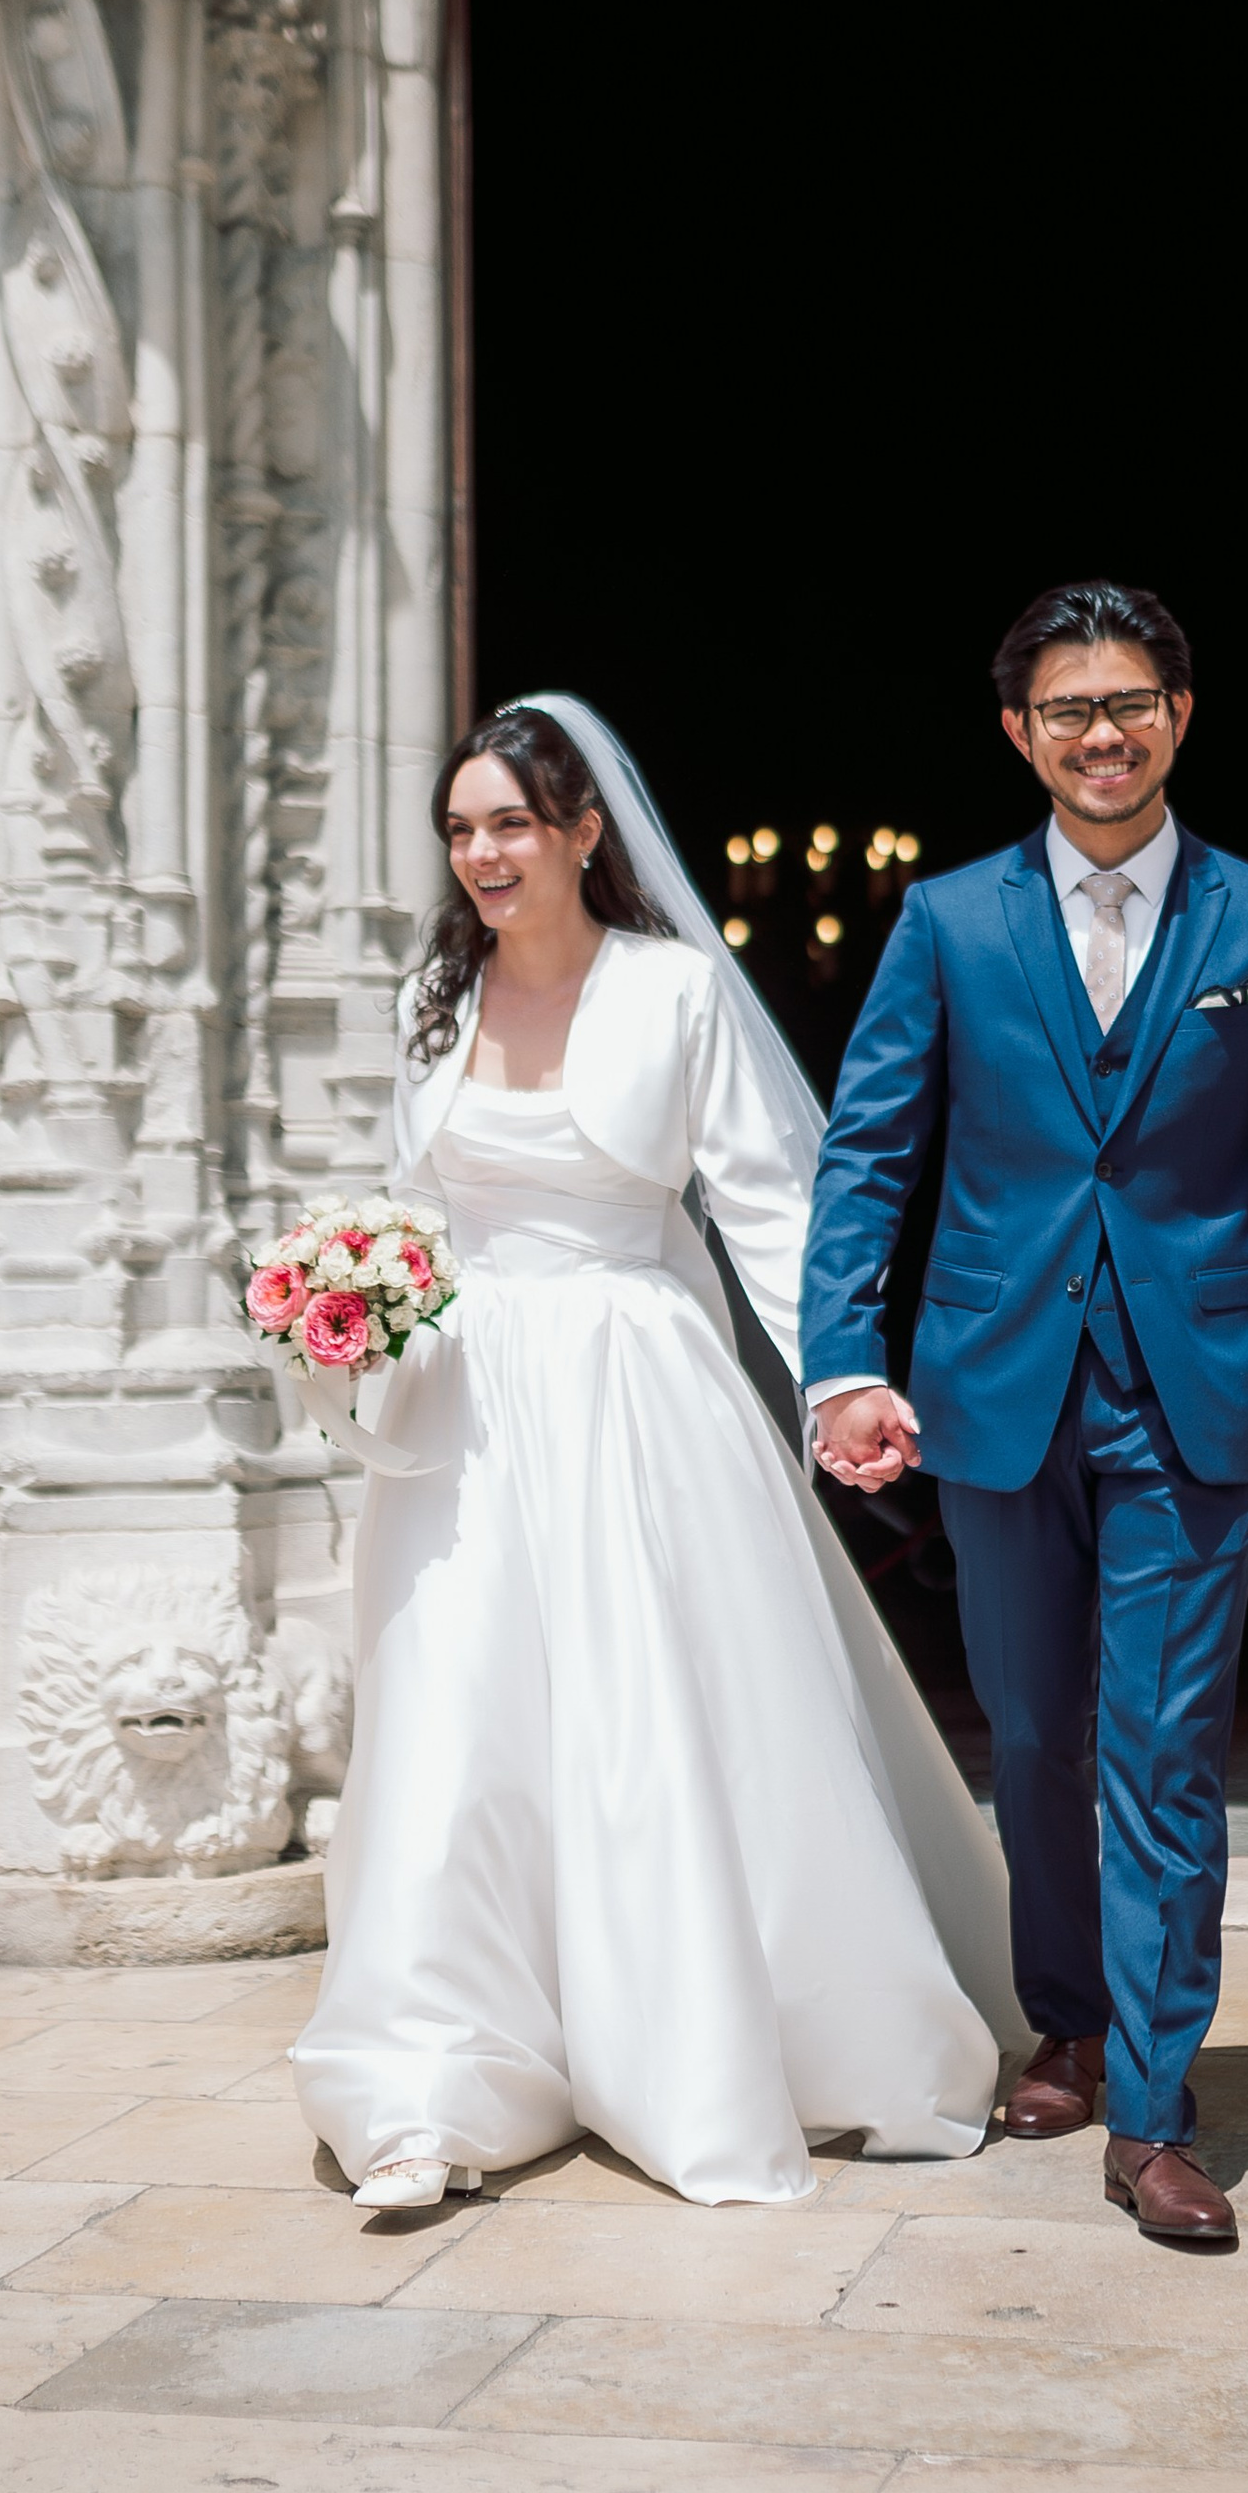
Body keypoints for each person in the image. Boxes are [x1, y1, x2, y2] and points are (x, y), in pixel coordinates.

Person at [291, 698, 1019, 2214]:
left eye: (507, 822)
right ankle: (430, 2082)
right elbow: (410, 1197)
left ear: (582, 831)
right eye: (460, 829)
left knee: (654, 1723)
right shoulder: (433, 993)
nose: (481, 853)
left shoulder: (674, 991)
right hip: (464, 1404)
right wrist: (353, 1289)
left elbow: (767, 1208)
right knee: (451, 1734)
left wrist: (844, 1383)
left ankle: (693, 2044)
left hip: (638, 1391)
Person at [804, 583, 1248, 2247]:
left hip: (1193, 1401)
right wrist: (849, 1357)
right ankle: (1062, 2008)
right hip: (998, 1392)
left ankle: (1154, 2104)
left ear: (1180, 716)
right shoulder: (948, 921)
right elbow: (871, 1156)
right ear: (1021, 733)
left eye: (1132, 702)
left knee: (1164, 1751)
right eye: (1070, 711)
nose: (1104, 733)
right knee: (1041, 1735)